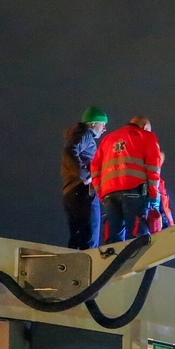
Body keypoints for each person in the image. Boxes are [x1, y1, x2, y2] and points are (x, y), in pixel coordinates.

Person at [91, 116, 161, 243]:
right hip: (134, 191)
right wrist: (154, 195)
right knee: (137, 238)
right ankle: (139, 262)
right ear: (145, 127)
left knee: (114, 240)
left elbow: (94, 168)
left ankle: (115, 261)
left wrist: (101, 193)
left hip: (109, 195)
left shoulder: (107, 139)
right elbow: (154, 167)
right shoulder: (146, 136)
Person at [61, 106, 108, 249]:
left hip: (72, 192)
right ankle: (89, 268)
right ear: (93, 123)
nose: (104, 129)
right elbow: (69, 152)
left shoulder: (77, 134)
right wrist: (86, 175)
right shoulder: (85, 135)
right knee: (89, 236)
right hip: (83, 191)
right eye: (103, 124)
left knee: (77, 236)